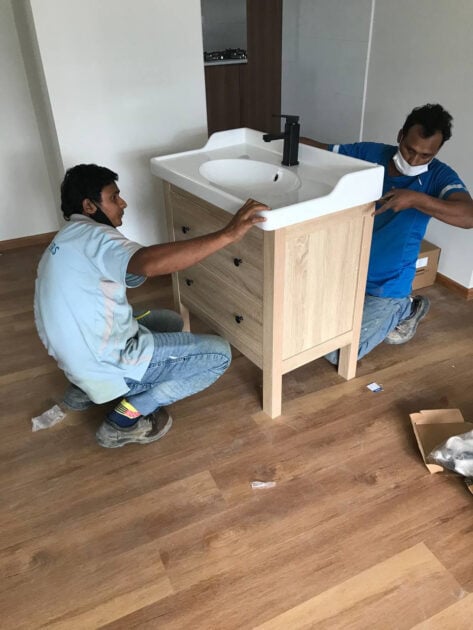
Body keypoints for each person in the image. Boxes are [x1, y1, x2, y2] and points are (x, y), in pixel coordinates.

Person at [34, 164, 267, 448]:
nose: (123, 203)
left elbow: (132, 272)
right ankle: (124, 419)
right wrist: (227, 234)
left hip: (76, 357)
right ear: (89, 205)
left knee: (168, 321)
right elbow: (149, 264)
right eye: (114, 197)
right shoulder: (98, 236)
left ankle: (86, 389)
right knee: (219, 355)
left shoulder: (70, 235)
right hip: (105, 360)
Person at [301, 103, 473, 363]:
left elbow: (468, 216)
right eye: (409, 150)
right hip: (346, 273)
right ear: (400, 135)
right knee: (302, 327)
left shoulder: (438, 176)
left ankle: (406, 308)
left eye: (425, 155)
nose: (414, 160)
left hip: (386, 287)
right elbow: (322, 151)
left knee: (339, 354)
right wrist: (280, 140)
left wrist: (417, 199)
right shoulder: (372, 154)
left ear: (437, 152)